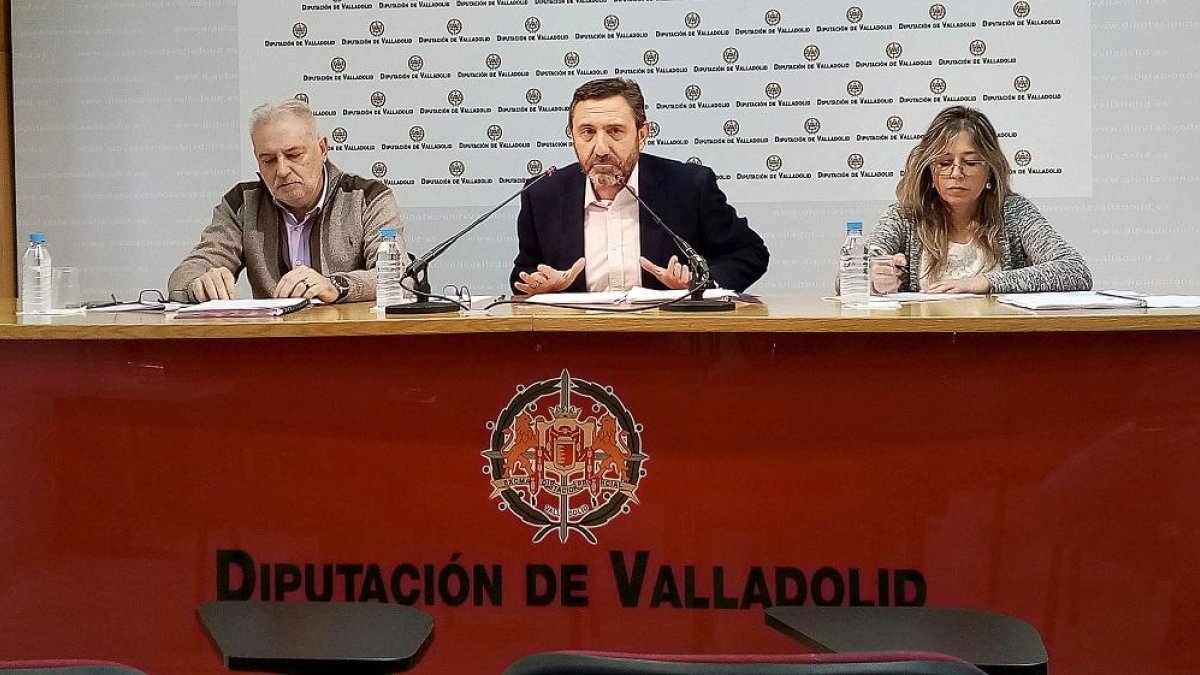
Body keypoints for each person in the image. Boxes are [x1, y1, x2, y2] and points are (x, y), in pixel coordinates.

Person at [510, 77, 769, 295]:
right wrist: (542, 284)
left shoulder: (689, 186)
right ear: (573, 135)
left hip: (673, 341)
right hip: (576, 343)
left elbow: (749, 253)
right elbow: (524, 273)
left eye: (615, 131)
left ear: (642, 135)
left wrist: (698, 285)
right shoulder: (543, 194)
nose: (600, 148)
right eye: (587, 132)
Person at [168, 99, 403, 303]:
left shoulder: (368, 197)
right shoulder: (243, 204)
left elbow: (396, 276)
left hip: (351, 344)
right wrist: (198, 284)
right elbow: (183, 277)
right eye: (268, 160)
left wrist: (335, 286)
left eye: (293, 155)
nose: (281, 170)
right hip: (274, 348)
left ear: (322, 149)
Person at [867, 106, 1090, 294]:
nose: (956, 174)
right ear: (929, 171)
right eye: (944, 163)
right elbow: (847, 278)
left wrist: (985, 283)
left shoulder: (1013, 212)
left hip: (999, 340)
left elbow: (1075, 270)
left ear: (990, 171)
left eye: (971, 163)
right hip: (923, 342)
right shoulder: (904, 216)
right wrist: (874, 279)